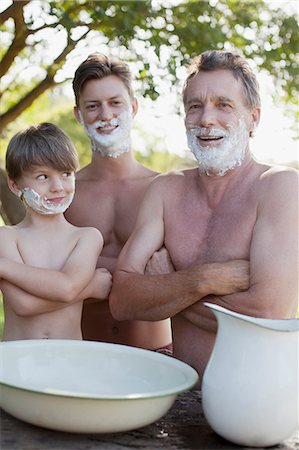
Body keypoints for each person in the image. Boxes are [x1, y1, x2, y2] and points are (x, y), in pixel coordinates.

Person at [109, 50, 298, 385]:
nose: (206, 119)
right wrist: (204, 279)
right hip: (180, 397)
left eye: (224, 104)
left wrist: (166, 287)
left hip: (254, 401)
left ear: (253, 118)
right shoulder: (165, 190)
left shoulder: (280, 188)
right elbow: (122, 301)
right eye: (195, 106)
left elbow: (266, 313)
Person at [64, 53, 172, 351]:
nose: (105, 114)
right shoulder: (65, 194)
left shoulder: (163, 188)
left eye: (115, 102)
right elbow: (44, 266)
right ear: (78, 114)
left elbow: (176, 272)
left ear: (133, 107)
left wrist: (82, 267)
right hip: (82, 354)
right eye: (93, 106)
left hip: (156, 355)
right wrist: (141, 271)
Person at [0, 122, 112, 341]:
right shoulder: (6, 237)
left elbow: (68, 287)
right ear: (14, 186)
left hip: (69, 362)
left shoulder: (86, 237)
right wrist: (89, 288)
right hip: (17, 365)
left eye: (66, 173)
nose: (58, 186)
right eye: (42, 177)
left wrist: (3, 267)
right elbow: (23, 305)